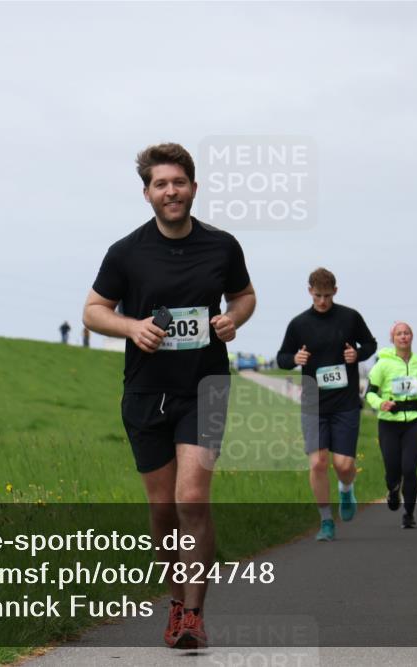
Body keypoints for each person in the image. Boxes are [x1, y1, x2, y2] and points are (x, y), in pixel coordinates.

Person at [82, 143, 256, 649]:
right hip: (146, 390)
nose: (171, 191)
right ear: (147, 194)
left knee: (192, 498)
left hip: (205, 387)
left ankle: (195, 616)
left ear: (194, 188)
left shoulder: (222, 246)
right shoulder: (126, 252)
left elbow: (244, 296)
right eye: (161, 184)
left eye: (179, 182)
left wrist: (233, 319)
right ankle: (176, 602)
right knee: (162, 508)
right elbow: (93, 310)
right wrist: (131, 327)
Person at [276, 268, 377, 541]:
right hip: (314, 404)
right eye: (318, 295)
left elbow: (370, 344)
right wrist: (294, 359)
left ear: (336, 291)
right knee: (318, 463)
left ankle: (346, 490)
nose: (322, 301)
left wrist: (357, 354)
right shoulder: (299, 324)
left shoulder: (350, 317)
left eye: (327, 296)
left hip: (345, 403)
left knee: (343, 465)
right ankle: (326, 522)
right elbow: (282, 357)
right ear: (309, 291)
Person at [365, 322, 417, 529]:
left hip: (414, 422)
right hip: (389, 423)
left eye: (406, 333)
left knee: (409, 468)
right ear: (393, 339)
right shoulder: (383, 364)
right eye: (399, 334)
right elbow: (370, 393)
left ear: (412, 337)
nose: (403, 336)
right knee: (392, 469)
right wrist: (380, 403)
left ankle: (409, 513)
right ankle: (393, 489)